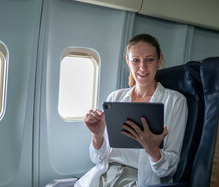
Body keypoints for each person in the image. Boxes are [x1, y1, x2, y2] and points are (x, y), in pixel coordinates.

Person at [75, 34, 188, 187]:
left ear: (159, 59)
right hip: (104, 175)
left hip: (139, 179)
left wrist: (152, 149)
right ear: (128, 62)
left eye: (149, 59)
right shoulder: (116, 97)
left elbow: (169, 169)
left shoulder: (175, 101)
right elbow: (98, 159)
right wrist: (97, 135)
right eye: (136, 60)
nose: (142, 67)